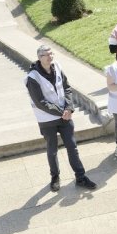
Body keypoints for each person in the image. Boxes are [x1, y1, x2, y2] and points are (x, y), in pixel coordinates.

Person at [25, 45, 97, 191]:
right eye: (46, 54)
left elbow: (66, 87)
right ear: (39, 57)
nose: (50, 56)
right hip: (47, 120)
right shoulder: (32, 77)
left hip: (65, 116)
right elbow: (40, 102)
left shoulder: (57, 66)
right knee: (52, 150)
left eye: (51, 53)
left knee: (72, 147)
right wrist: (62, 112)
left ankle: (81, 177)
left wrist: (69, 108)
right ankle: (55, 177)